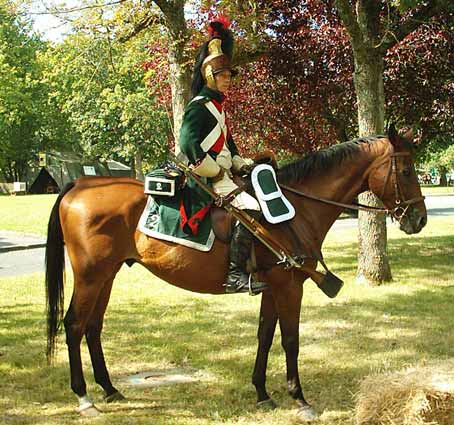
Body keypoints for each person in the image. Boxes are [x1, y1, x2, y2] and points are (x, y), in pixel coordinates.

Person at [179, 18, 267, 295]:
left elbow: (227, 144)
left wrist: (242, 162)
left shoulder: (217, 107)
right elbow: (188, 142)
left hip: (224, 173)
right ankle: (234, 275)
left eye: (229, 76)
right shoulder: (199, 106)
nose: (228, 81)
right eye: (224, 76)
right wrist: (214, 171)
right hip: (208, 177)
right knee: (251, 209)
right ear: (210, 77)